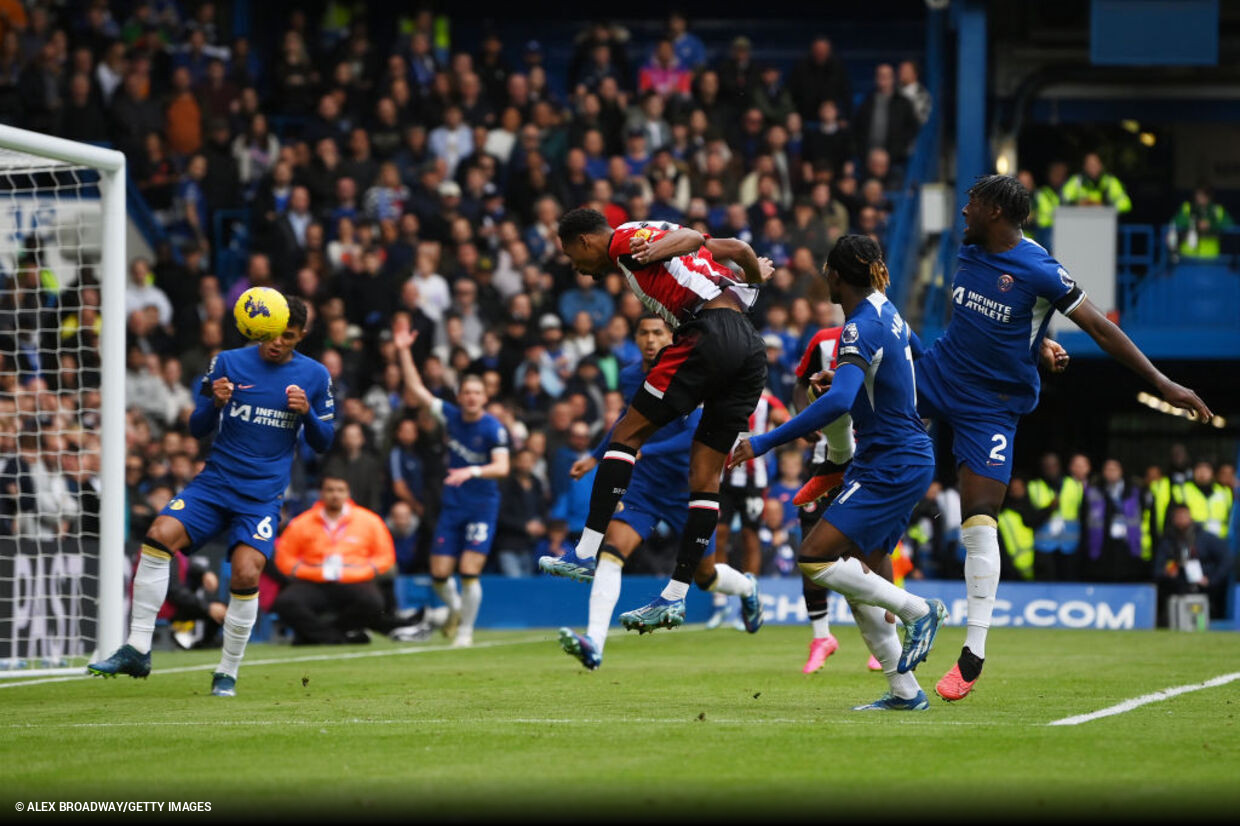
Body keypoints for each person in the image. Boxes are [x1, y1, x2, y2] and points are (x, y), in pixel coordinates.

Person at [912, 174, 1210, 702]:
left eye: (972, 204)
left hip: (993, 406)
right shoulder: (971, 247)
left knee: (978, 519)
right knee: (864, 395)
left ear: (997, 213)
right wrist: (1040, 341)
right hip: (940, 372)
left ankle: (973, 653)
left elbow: (1099, 329)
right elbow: (999, 319)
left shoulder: (1038, 268)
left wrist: (1163, 383)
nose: (963, 212)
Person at [729, 236, 947, 711]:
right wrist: (859, 376)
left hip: (890, 460)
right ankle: (904, 691)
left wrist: (764, 442)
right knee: (856, 571)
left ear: (836, 275)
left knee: (814, 557)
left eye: (827, 270)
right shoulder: (886, 310)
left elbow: (839, 403)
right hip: (897, 455)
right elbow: (914, 357)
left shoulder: (858, 326)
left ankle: (917, 610)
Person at [89, 296, 336, 696]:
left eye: (287, 337)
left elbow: (324, 443)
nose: (277, 343)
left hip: (260, 496)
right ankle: (137, 647)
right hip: (215, 484)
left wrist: (307, 412)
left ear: (301, 335)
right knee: (158, 534)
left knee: (246, 573)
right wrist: (215, 403)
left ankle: (227, 671)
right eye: (271, 334)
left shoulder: (315, 375)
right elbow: (196, 427)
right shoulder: (227, 363)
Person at [553, 208, 773, 633]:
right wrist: (754, 274)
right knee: (706, 477)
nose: (578, 269)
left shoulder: (623, 244)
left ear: (584, 241)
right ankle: (673, 597)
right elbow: (740, 249)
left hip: (708, 334)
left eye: (571, 256)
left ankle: (584, 551)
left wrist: (651, 250)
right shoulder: (652, 236)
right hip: (749, 348)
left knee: (627, 434)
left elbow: (690, 237)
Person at [541, 314, 763, 670]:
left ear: (671, 337)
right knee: (612, 551)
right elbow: (627, 422)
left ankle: (748, 588)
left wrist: (649, 450)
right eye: (643, 332)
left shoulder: (693, 371)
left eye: (657, 332)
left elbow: (693, 434)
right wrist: (597, 457)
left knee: (705, 577)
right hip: (644, 485)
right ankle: (594, 642)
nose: (649, 339)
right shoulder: (631, 376)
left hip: (688, 487)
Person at [394, 320, 509, 647]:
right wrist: (403, 350)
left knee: (470, 570)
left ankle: (464, 632)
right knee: (440, 575)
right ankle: (456, 608)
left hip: (481, 505)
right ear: (459, 396)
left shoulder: (493, 429)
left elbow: (502, 467)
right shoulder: (451, 416)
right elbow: (417, 390)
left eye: (477, 392)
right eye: (466, 392)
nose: (471, 397)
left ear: (485, 397)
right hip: (453, 505)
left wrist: (469, 473)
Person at [272, 474, 404, 645]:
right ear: (321, 493)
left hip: (355, 580)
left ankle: (319, 636)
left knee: (374, 602)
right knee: (286, 602)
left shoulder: (369, 521)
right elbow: (284, 556)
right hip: (314, 581)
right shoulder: (302, 522)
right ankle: (337, 639)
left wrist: (364, 571)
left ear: (348, 493)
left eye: (340, 490)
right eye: (330, 490)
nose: (335, 495)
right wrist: (308, 571)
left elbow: (385, 556)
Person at [708, 388, 787, 629]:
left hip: (754, 481)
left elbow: (785, 418)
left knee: (750, 537)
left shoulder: (767, 399)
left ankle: (747, 601)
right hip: (725, 479)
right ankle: (720, 603)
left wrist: (773, 437)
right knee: (719, 535)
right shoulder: (723, 390)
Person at [1168, 186, 1235, 260]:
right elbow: (1176, 222)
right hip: (1187, 254)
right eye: (1198, 194)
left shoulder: (1217, 209)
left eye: (1203, 195)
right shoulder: (1187, 207)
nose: (1200, 197)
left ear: (1209, 196)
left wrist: (1211, 225)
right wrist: (1196, 223)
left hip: (1210, 255)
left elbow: (1230, 225)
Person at [1061, 153, 1131, 213]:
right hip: (1079, 222)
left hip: (1104, 223)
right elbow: (1063, 200)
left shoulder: (1110, 181)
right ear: (1084, 166)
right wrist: (1079, 204)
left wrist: (1104, 206)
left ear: (1101, 165)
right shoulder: (1076, 181)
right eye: (1089, 164)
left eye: (1095, 164)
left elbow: (1125, 204)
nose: (1093, 167)